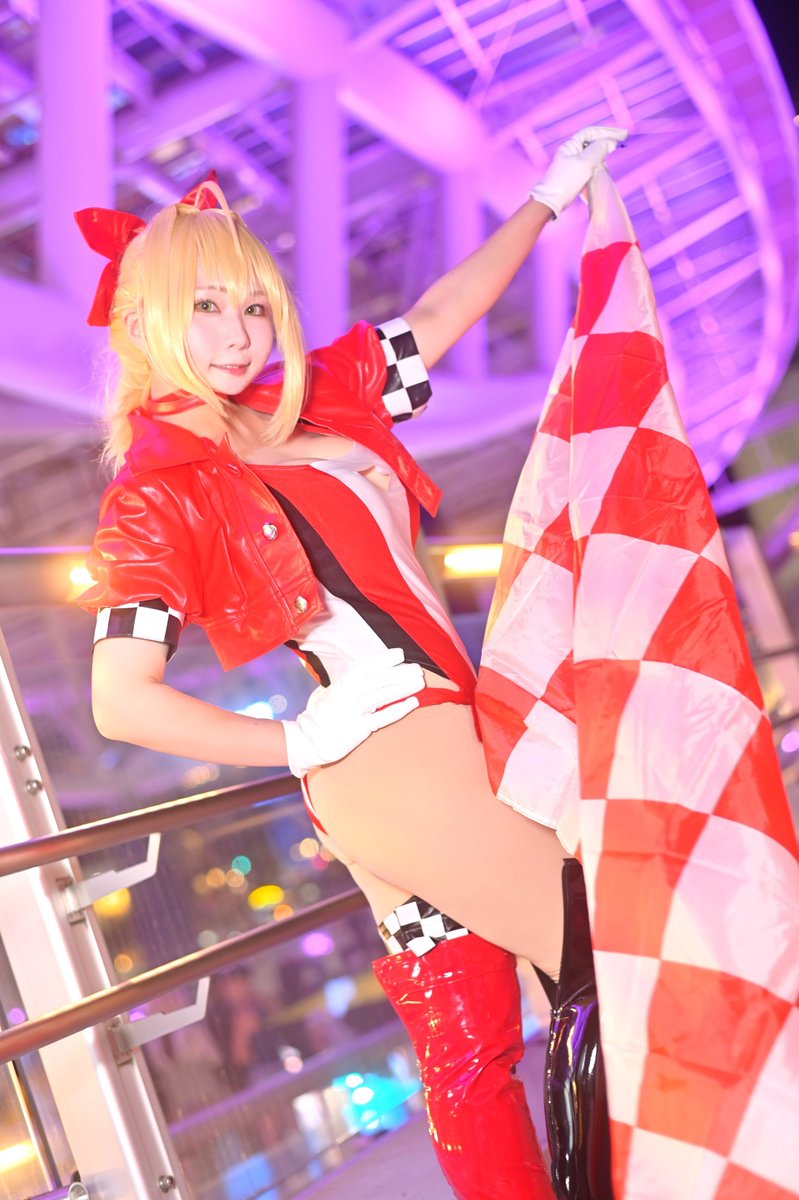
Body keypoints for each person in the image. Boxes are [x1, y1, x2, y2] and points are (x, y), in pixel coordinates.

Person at [77, 124, 626, 1200]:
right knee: (607, 964)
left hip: (425, 748)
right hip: (391, 758)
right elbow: (118, 702)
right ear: (141, 322)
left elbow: (437, 315)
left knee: (468, 1045)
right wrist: (296, 736)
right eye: (205, 306)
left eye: (253, 305)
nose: (237, 333)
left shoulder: (312, 395)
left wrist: (547, 198)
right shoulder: (155, 494)